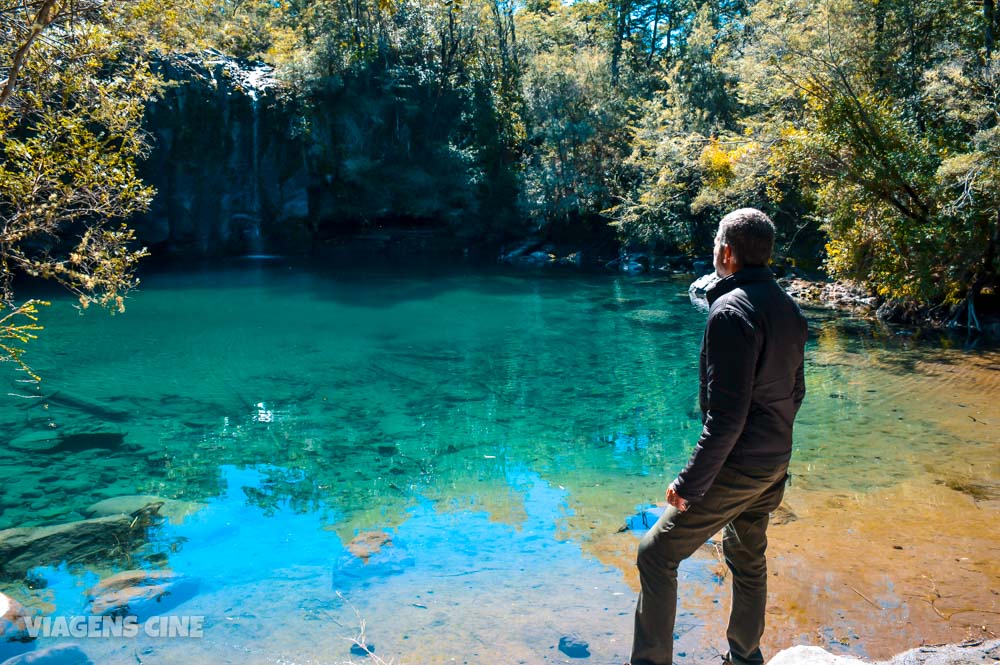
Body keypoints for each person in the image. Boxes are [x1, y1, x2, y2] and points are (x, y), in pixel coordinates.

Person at [629, 208, 808, 665]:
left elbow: (726, 418)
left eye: (715, 245)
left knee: (655, 554)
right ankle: (745, 658)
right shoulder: (788, 307)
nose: (713, 252)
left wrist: (689, 485)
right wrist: (774, 452)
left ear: (727, 252)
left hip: (741, 463)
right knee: (747, 557)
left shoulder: (730, 311)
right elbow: (796, 392)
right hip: (773, 459)